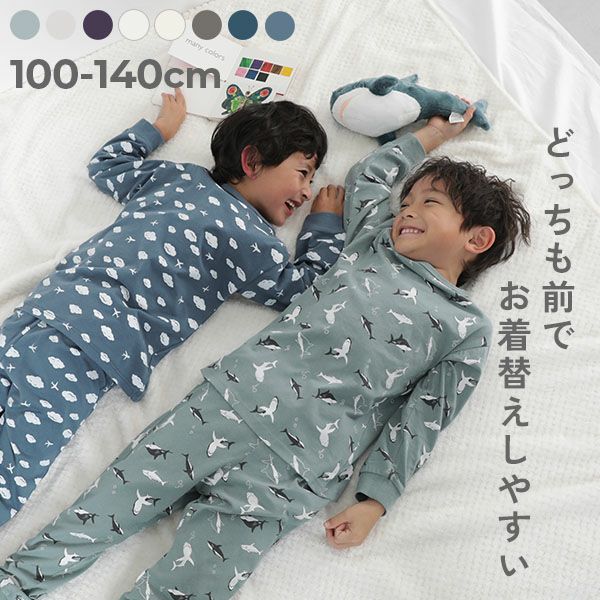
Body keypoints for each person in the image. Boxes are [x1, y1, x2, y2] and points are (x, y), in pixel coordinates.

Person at [0, 100, 531, 600]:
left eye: (427, 204)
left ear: (476, 239)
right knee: (95, 516)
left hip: (296, 469)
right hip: (220, 408)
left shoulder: (465, 328)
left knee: (195, 581)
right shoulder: (372, 242)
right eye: (406, 202)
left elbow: (421, 422)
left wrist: (375, 500)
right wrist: (432, 134)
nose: (405, 212)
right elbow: (370, 174)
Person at [0, 87, 346, 525]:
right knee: (16, 463)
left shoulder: (181, 180)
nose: (308, 191)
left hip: (49, 308)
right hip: (88, 348)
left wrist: (157, 131)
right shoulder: (254, 243)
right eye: (303, 173)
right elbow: (307, 289)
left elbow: (108, 164)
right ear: (252, 161)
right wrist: (325, 225)